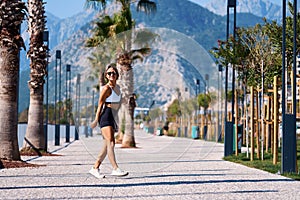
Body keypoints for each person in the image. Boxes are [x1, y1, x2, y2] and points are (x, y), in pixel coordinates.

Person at [89, 64, 128, 178]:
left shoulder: (118, 88)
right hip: (105, 115)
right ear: (106, 75)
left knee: (107, 144)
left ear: (117, 75)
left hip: (112, 116)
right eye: (109, 73)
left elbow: (119, 104)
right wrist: (96, 120)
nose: (111, 75)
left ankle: (95, 168)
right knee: (111, 142)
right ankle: (115, 168)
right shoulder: (106, 88)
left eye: (113, 73)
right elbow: (100, 104)